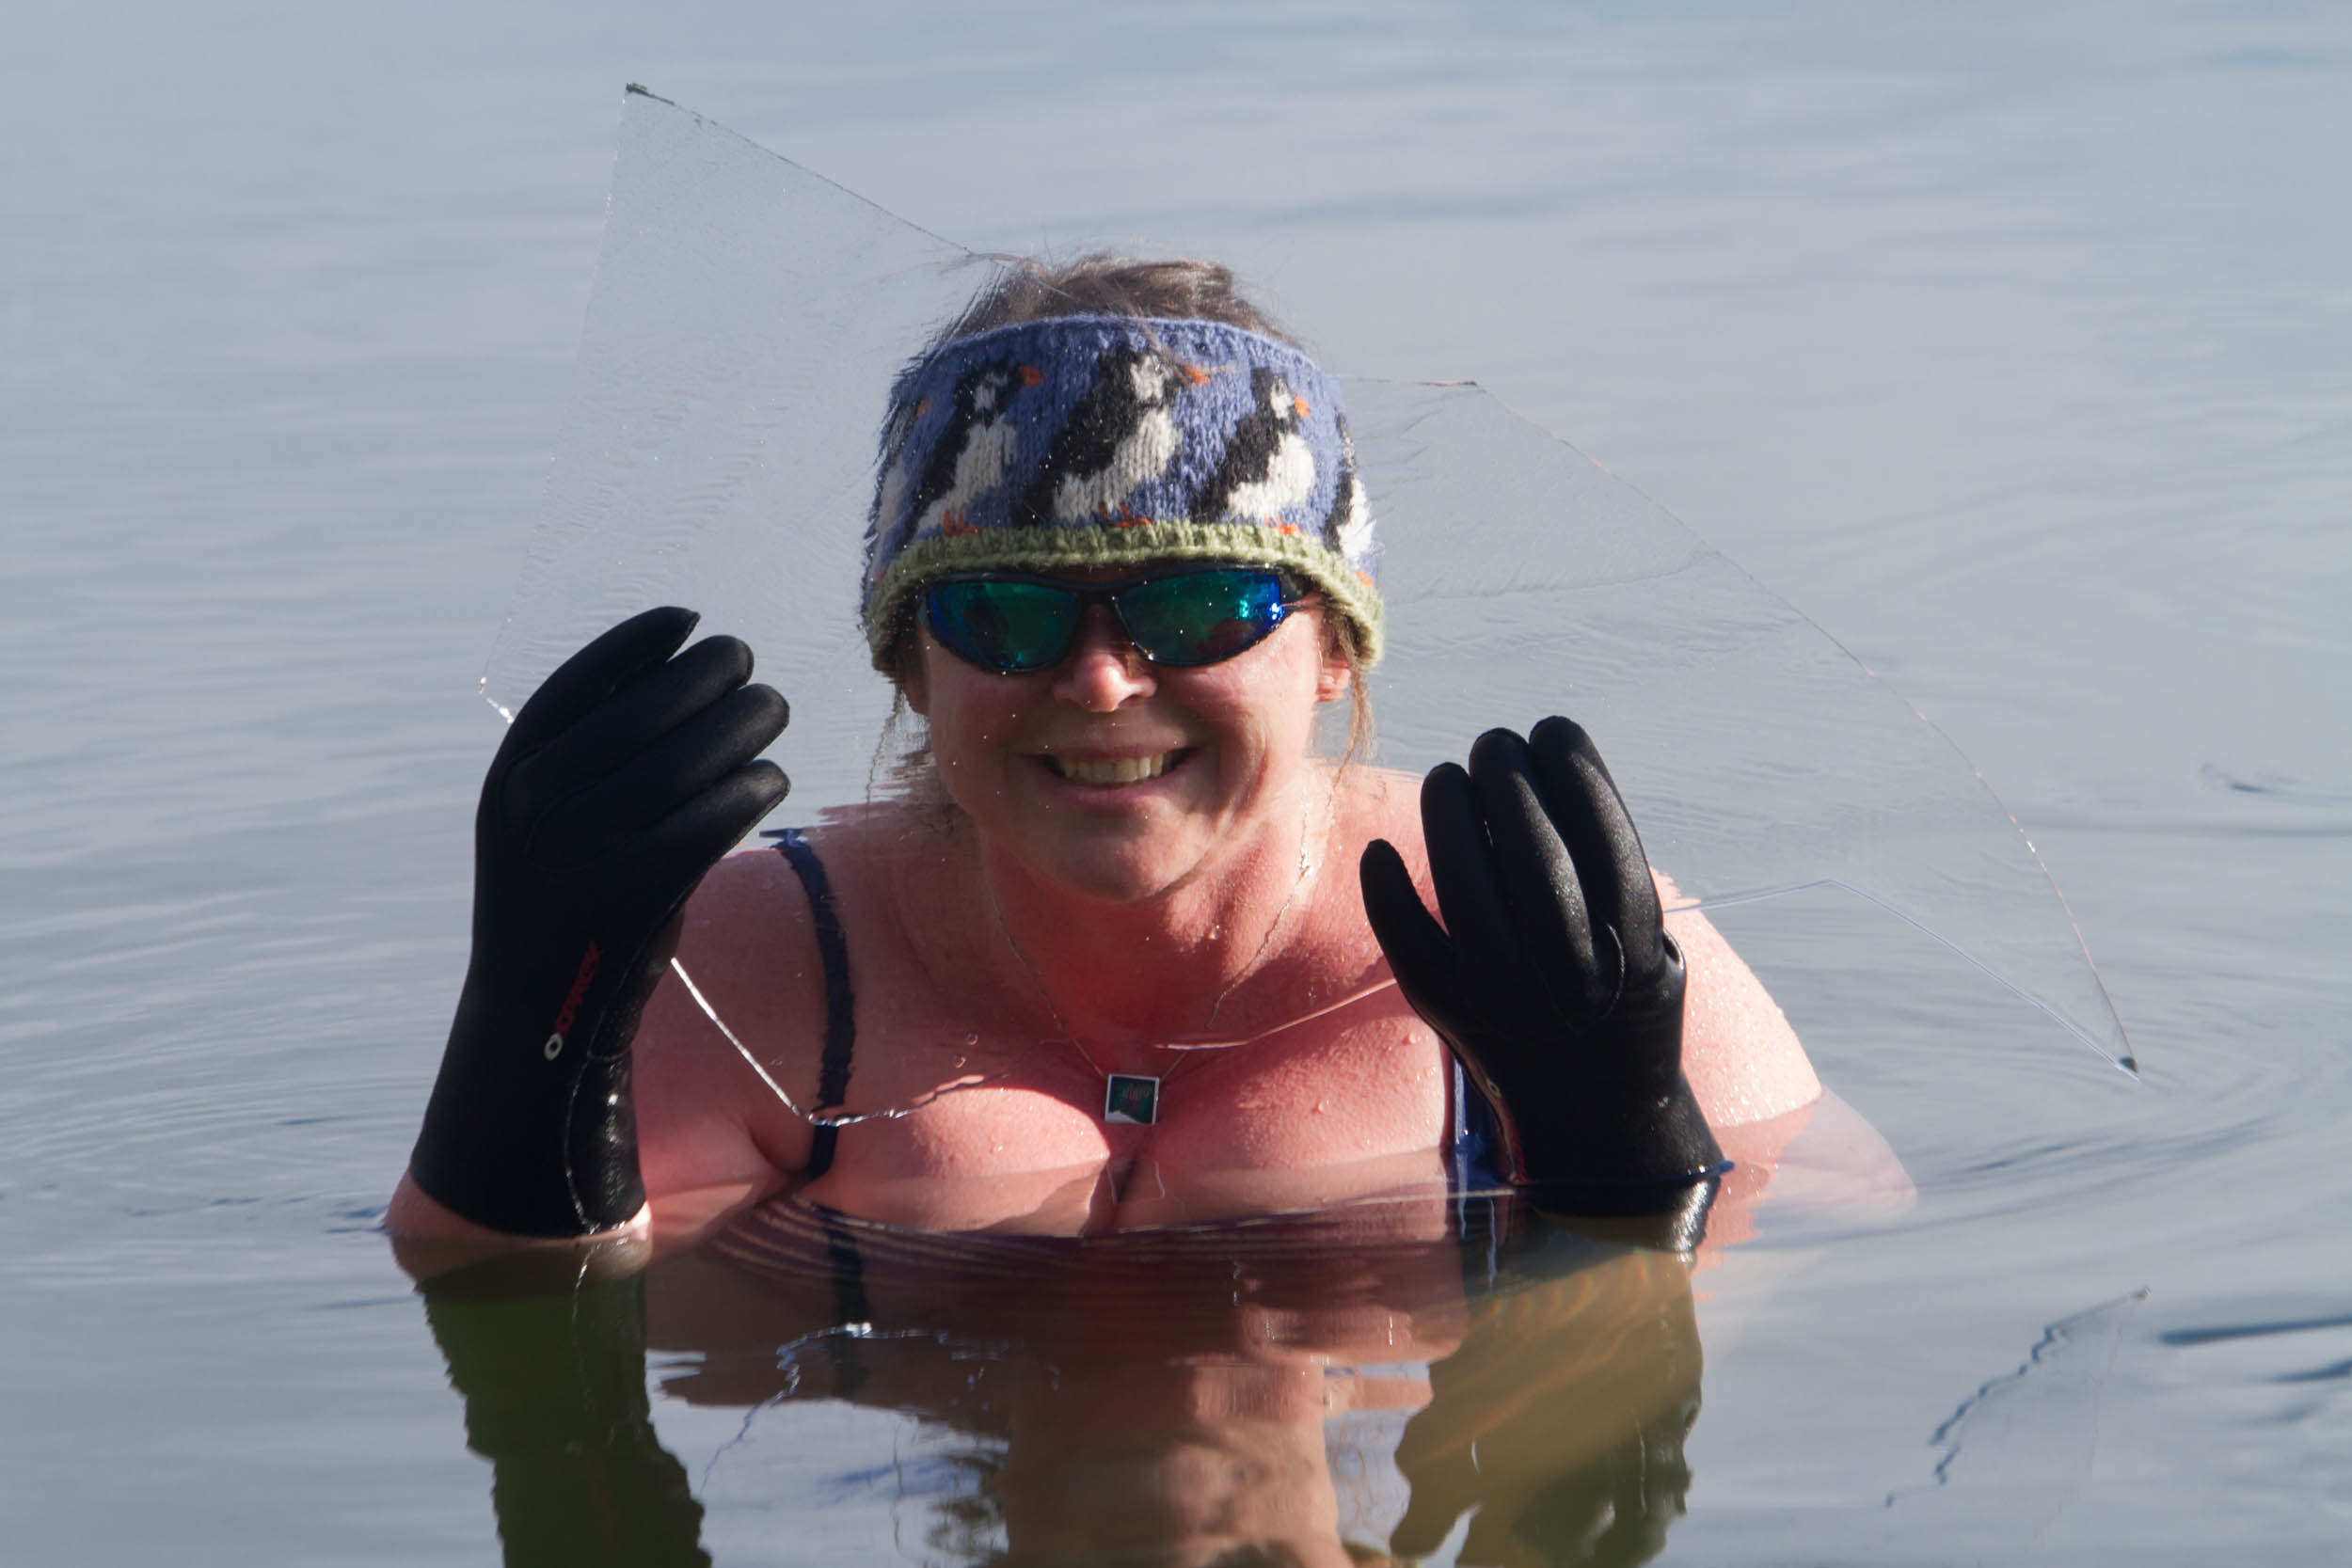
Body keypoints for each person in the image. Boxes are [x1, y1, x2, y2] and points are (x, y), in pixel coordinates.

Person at [386, 257, 1826, 1252]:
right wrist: (536, 1025)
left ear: (1336, 646)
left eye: (1199, 603)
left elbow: (1838, 1258)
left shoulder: (1551, 939)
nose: (1099, 678)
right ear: (907, 660)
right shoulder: (749, 958)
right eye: (1001, 611)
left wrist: (1627, 1137)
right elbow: (510, 1324)